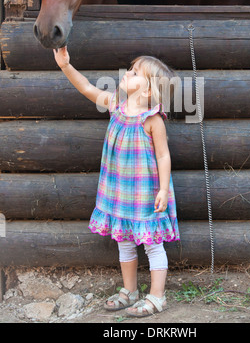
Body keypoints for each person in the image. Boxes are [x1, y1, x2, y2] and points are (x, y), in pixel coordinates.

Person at [53, 47, 180, 317]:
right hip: (119, 192)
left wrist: (164, 189)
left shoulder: (152, 120)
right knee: (124, 241)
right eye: (130, 68)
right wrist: (65, 65)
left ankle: (157, 297)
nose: (128, 73)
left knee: (152, 243)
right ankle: (130, 291)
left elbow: (163, 155)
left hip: (146, 194)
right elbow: (87, 88)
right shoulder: (115, 106)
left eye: (135, 73)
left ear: (147, 91)